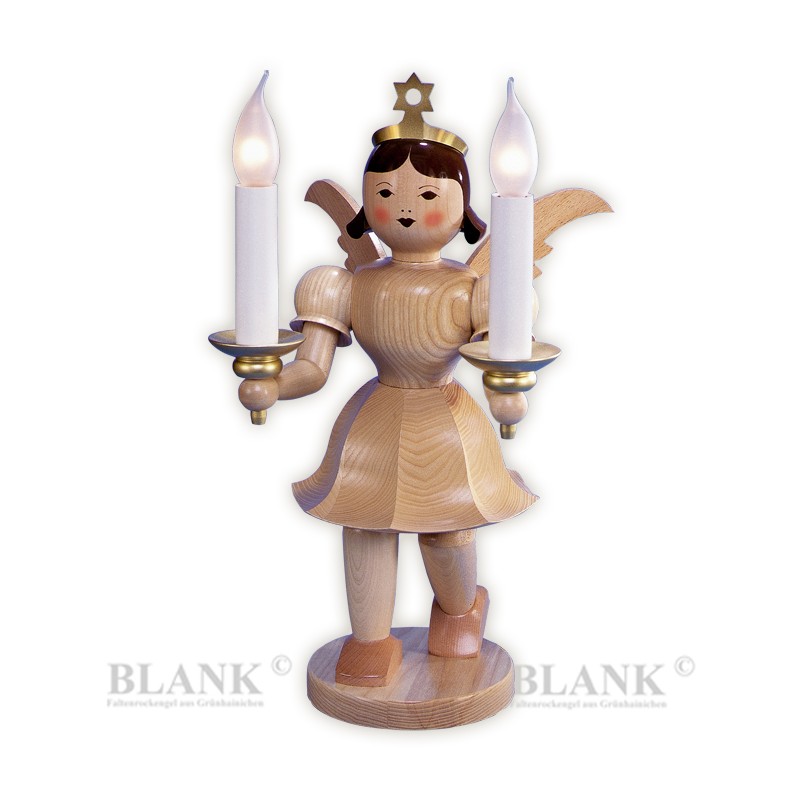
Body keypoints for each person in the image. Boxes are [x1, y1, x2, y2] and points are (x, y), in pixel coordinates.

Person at [273, 76, 536, 686]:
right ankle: (369, 640)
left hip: (447, 423)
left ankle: (460, 608)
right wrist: (275, 383)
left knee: (447, 530)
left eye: (427, 194)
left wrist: (506, 392)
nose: (406, 206)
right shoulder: (344, 284)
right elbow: (313, 367)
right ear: (367, 207)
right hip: (372, 425)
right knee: (363, 524)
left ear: (463, 209)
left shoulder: (474, 288)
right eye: (387, 192)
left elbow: (500, 358)